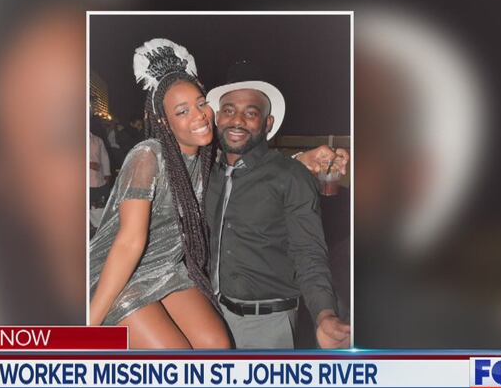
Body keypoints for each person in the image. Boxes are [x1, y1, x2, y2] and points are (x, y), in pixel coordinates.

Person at [89, 39, 230, 349]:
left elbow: (244, 170)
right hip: (122, 273)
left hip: (168, 269)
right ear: (164, 121)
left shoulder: (209, 158)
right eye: (182, 111)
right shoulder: (148, 157)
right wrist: (87, 326)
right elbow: (128, 243)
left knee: (217, 347)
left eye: (201, 103)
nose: (199, 115)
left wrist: (304, 160)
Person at [205, 66, 351, 349]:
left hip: (268, 326)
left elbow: (308, 252)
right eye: (229, 110)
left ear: (267, 123)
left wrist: (325, 314)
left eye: (251, 113)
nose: (237, 120)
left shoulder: (290, 176)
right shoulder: (206, 172)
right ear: (217, 117)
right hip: (210, 318)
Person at [89, 131, 112, 207]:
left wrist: (107, 174)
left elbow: (104, 158)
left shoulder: (97, 140)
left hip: (98, 181)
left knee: (98, 209)